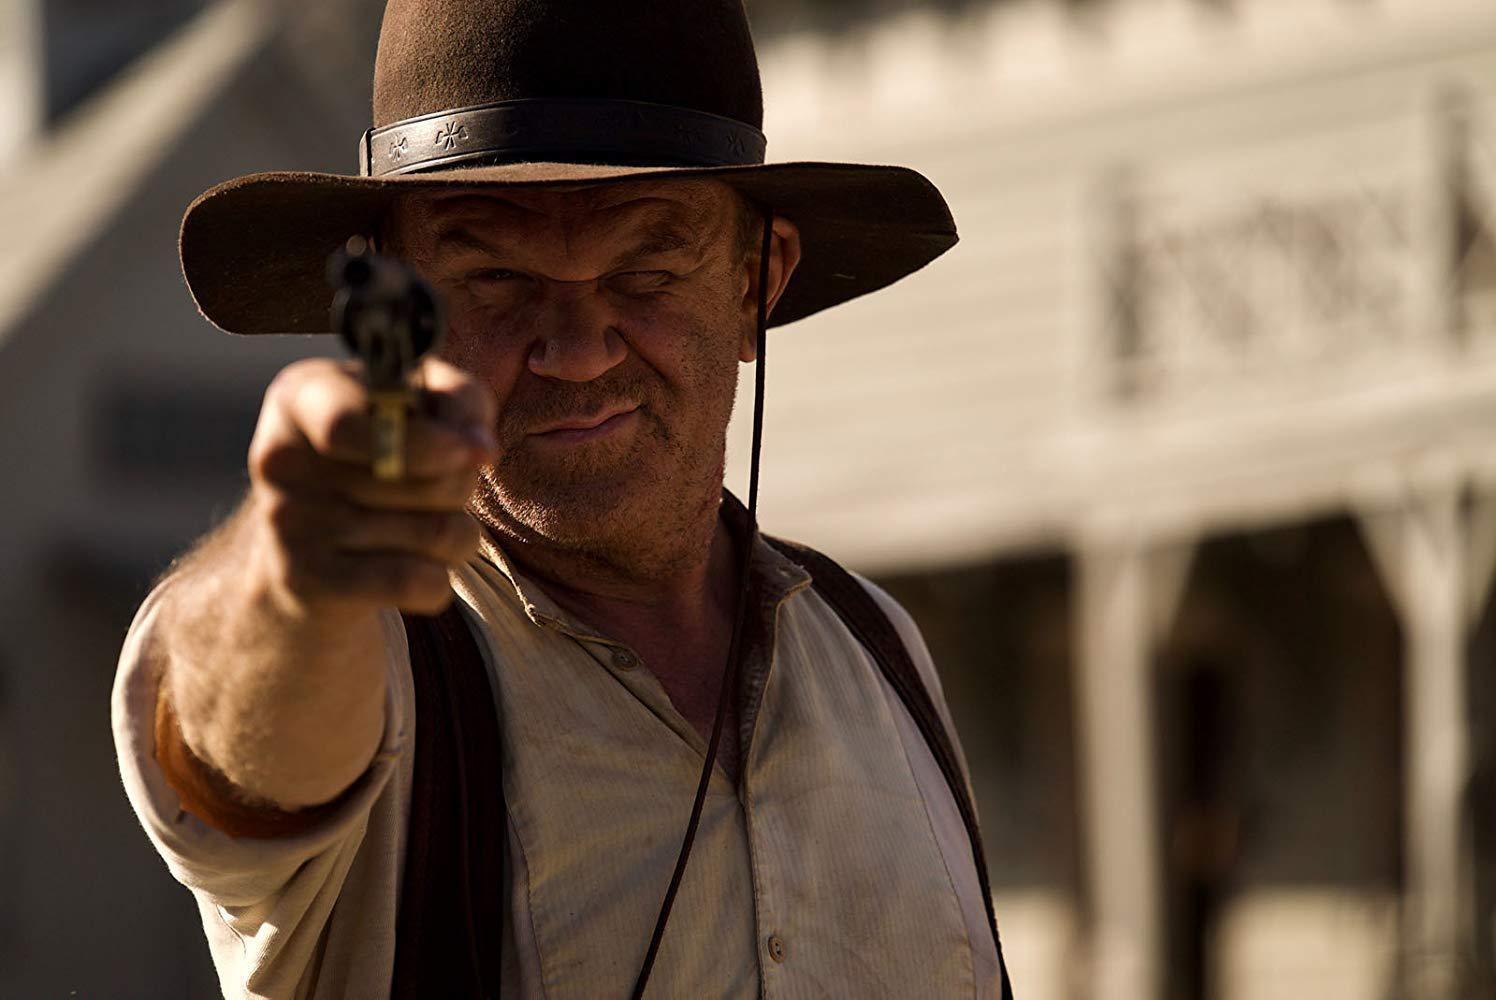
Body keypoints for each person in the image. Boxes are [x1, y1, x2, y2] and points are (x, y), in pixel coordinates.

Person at [110, 0, 1015, 997]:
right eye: (494, 275)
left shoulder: (877, 655)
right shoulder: (370, 661)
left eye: (644, 269)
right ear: (387, 299)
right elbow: (228, 740)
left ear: (758, 280)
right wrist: (291, 582)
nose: (576, 348)